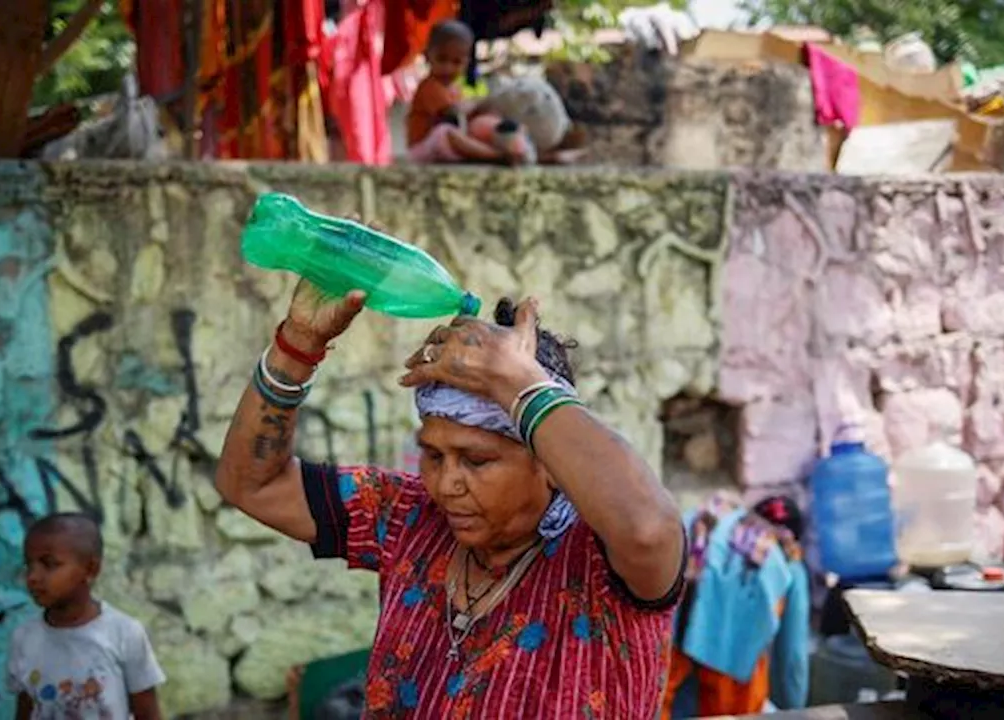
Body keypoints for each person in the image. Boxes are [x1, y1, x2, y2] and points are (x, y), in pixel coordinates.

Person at [215, 281, 687, 719]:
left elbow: (649, 529)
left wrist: (517, 385)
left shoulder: (602, 565)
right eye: (433, 454)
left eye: (476, 461)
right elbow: (253, 485)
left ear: (548, 463)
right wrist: (298, 345)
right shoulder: (407, 517)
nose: (446, 484)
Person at [660, 493, 809, 718]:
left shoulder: (713, 521)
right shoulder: (788, 563)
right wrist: (797, 710)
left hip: (671, 619)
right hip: (729, 660)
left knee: (660, 697)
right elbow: (793, 657)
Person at [7, 513, 166, 720]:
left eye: (49, 564)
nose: (33, 577)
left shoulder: (124, 633)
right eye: (29, 565)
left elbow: (148, 714)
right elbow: (26, 708)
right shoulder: (24, 638)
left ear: (91, 569)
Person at [406, 20, 530, 165]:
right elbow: (453, 111)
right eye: (442, 59)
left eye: (456, 62)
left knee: (480, 125)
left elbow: (467, 116)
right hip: (424, 149)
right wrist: (478, 103)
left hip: (447, 148)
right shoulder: (430, 86)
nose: (448, 68)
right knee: (446, 132)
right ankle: (495, 156)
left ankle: (516, 147)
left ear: (466, 63)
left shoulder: (454, 89)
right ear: (427, 56)